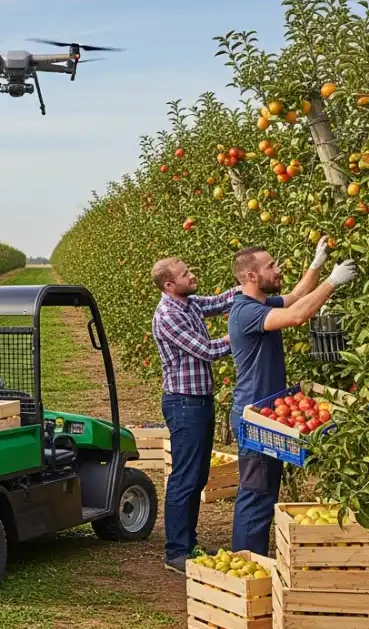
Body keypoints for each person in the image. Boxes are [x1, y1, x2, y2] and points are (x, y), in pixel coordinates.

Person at [230, 237, 356, 556]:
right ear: (251, 277)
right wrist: (332, 282)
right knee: (256, 496)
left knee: (265, 493)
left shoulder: (261, 304)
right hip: (255, 418)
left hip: (272, 415)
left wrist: (318, 262)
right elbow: (297, 316)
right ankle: (248, 564)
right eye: (270, 265)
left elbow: (297, 297)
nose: (278, 268)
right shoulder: (246, 312)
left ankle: (254, 561)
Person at [149, 257, 236, 573]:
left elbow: (218, 301)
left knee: (197, 475)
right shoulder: (169, 316)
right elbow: (208, 350)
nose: (193, 274)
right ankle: (176, 552)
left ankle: (188, 543)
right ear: (170, 285)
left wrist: (248, 287)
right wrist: (238, 335)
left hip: (198, 401)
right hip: (184, 404)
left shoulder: (187, 303)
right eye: (186, 274)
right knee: (185, 478)